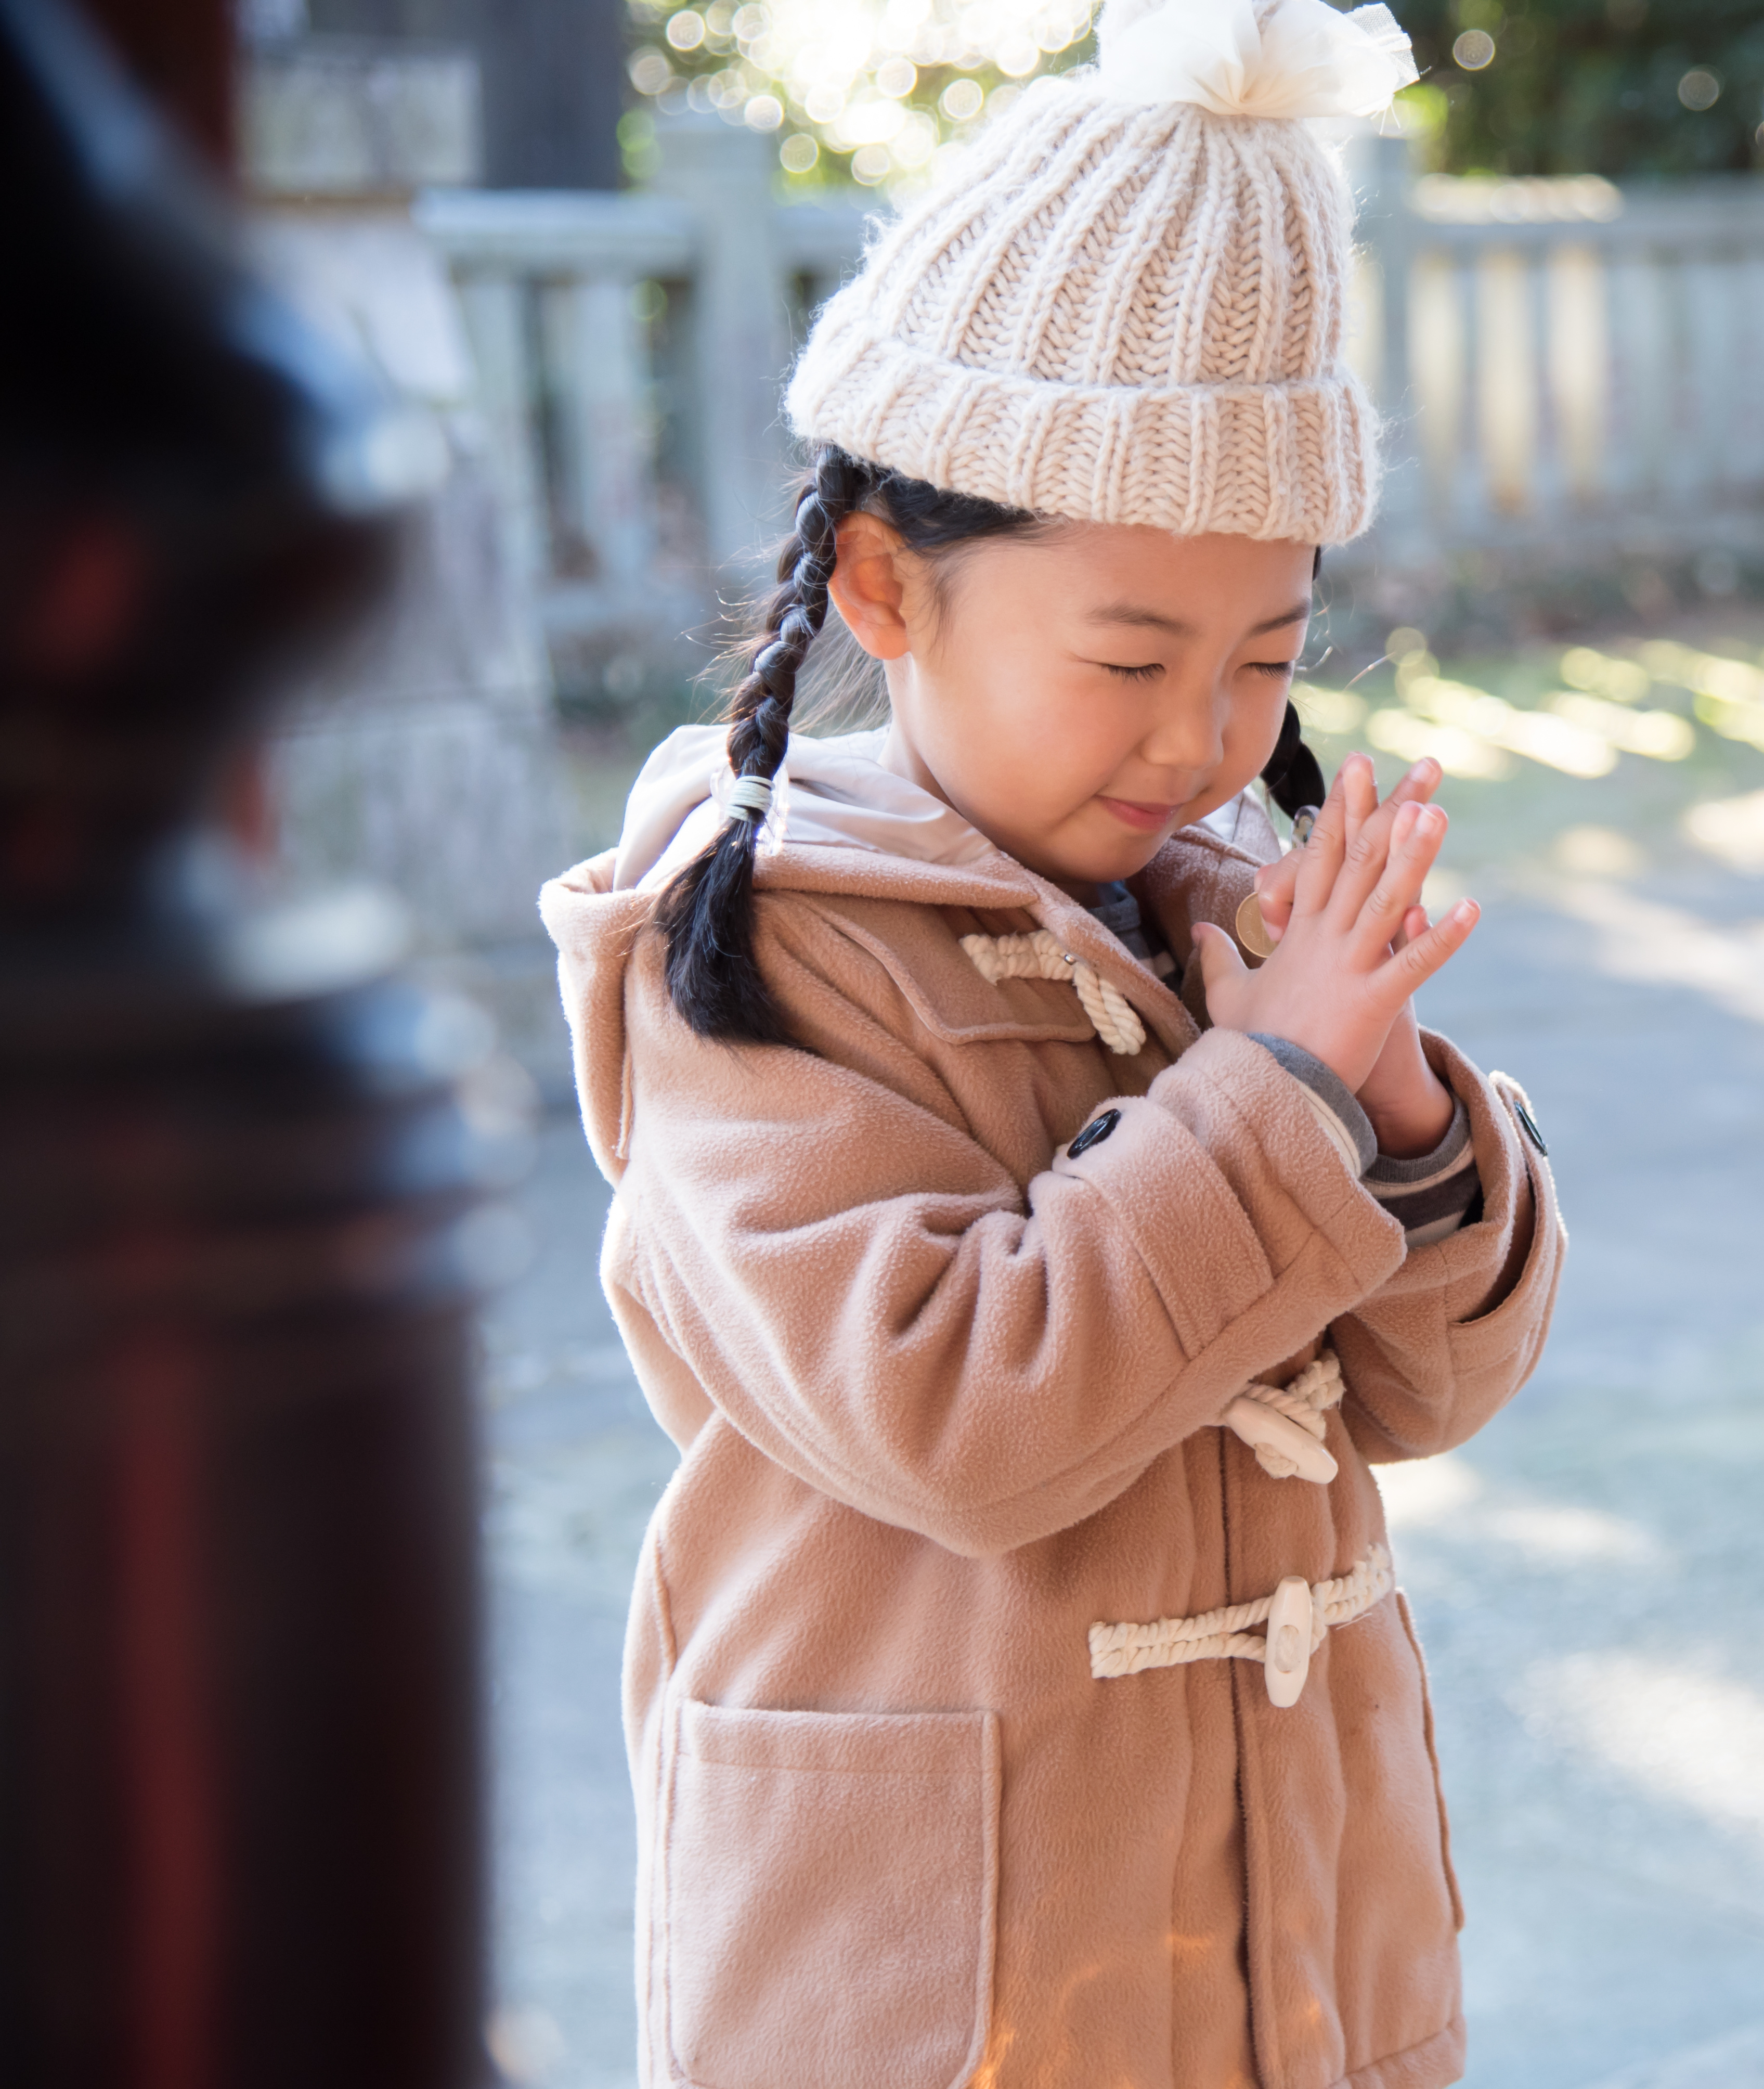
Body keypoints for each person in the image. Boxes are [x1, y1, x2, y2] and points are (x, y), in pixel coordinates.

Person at [540, 6, 1563, 2084]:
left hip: (1288, 1924)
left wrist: (1387, 1108)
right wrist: (1266, 1097)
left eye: (1263, 657)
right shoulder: (744, 951)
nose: (1196, 735)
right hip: (939, 1971)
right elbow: (952, 1412)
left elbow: (1434, 1390)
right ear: (885, 586)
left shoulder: (1208, 922)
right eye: (1128, 655)